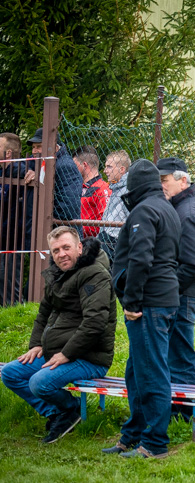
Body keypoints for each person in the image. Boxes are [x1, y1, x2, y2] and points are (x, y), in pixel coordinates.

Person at [0, 226, 115, 443]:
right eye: (55, 250)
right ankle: (58, 413)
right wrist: (36, 344)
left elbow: (95, 323)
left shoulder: (95, 274)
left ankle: (70, 409)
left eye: (66, 248)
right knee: (11, 373)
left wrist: (67, 354)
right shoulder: (59, 274)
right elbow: (44, 312)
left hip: (89, 357)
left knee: (39, 383)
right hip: (59, 352)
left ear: (79, 247)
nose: (61, 254)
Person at [104, 159, 181, 459]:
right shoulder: (166, 209)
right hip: (163, 299)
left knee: (150, 373)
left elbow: (140, 259)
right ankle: (132, 435)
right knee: (136, 373)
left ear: (135, 186)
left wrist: (132, 303)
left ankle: (154, 444)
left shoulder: (145, 210)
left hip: (148, 303)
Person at [157, 157, 195, 421]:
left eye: (165, 180)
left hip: (185, 292)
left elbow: (194, 264)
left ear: (182, 180)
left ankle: (187, 413)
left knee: (180, 351)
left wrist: (168, 290)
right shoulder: (182, 206)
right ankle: (179, 410)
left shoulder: (188, 212)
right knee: (175, 350)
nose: (161, 186)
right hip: (182, 290)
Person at [25, 128, 82, 227]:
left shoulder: (65, 166)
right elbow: (24, 165)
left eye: (39, 146)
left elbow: (69, 208)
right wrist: (29, 170)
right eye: (33, 147)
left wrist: (45, 215)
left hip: (61, 230)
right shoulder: (41, 160)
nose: (34, 151)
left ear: (54, 147)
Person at [0, 132, 27, 305]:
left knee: (8, 281)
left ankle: (16, 312)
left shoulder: (21, 171)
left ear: (8, 153)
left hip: (12, 238)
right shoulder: (2, 171)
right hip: (2, 236)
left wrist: (31, 173)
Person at [97, 150, 130, 261]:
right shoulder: (116, 188)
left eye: (109, 167)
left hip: (116, 244)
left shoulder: (127, 191)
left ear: (122, 170)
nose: (105, 171)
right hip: (108, 243)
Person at [74, 146, 111, 238]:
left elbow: (105, 223)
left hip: (92, 244)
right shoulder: (80, 187)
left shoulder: (102, 189)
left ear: (84, 165)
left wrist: (75, 228)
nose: (72, 169)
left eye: (75, 165)